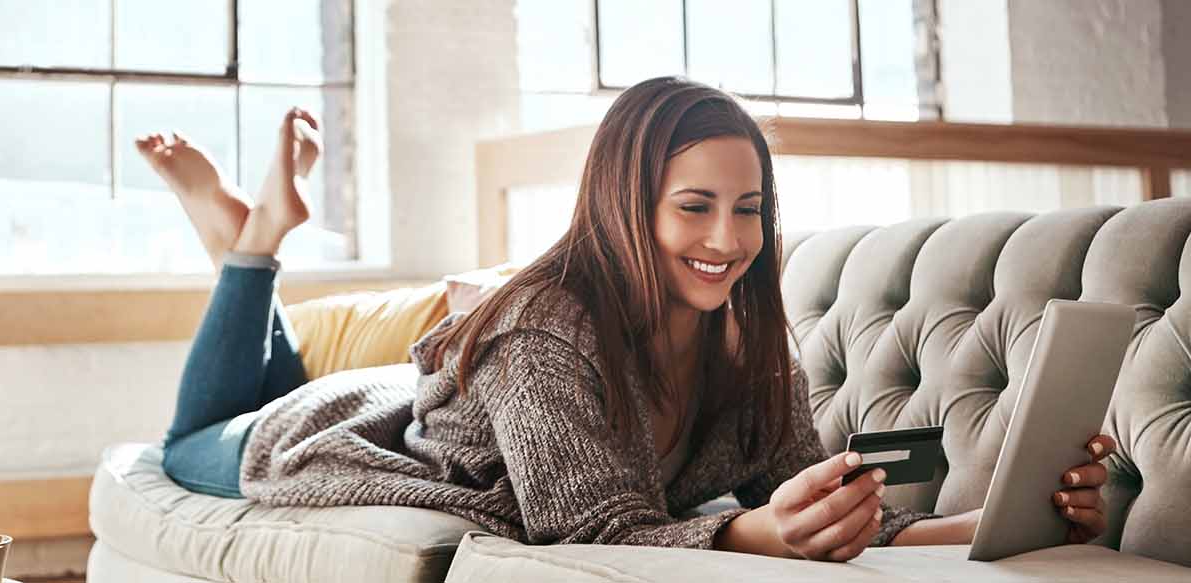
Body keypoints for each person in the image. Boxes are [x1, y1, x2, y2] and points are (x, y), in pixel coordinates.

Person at [133, 77, 1114, 561]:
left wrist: (983, 524)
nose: (727, 239)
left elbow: (794, 490)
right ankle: (251, 244)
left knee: (259, 371)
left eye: (748, 208)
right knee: (183, 440)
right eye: (693, 206)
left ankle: (240, 243)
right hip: (334, 433)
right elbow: (589, 526)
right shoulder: (543, 322)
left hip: (426, 402)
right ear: (624, 202)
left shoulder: (750, 337)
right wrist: (750, 535)